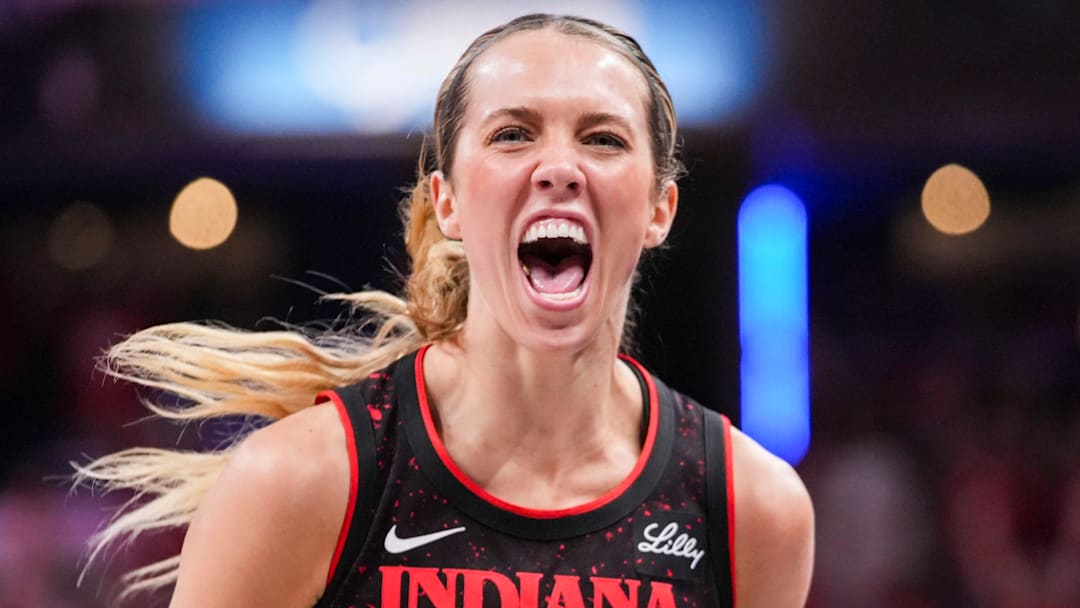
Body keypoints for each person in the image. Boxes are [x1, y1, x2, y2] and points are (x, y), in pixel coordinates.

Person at [77, 13, 814, 608]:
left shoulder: (750, 510)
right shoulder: (300, 485)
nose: (559, 166)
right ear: (449, 202)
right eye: (513, 134)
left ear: (660, 209)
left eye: (603, 138)